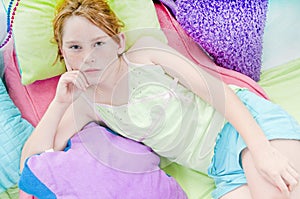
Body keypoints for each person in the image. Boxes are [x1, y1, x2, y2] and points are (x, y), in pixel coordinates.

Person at [20, 0, 300, 198]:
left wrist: (261, 150)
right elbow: (32, 159)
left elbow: (216, 91)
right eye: (75, 47)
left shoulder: (146, 54)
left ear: (118, 42)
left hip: (245, 129)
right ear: (63, 53)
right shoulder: (86, 106)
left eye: (98, 43)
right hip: (218, 167)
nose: (88, 56)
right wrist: (58, 104)